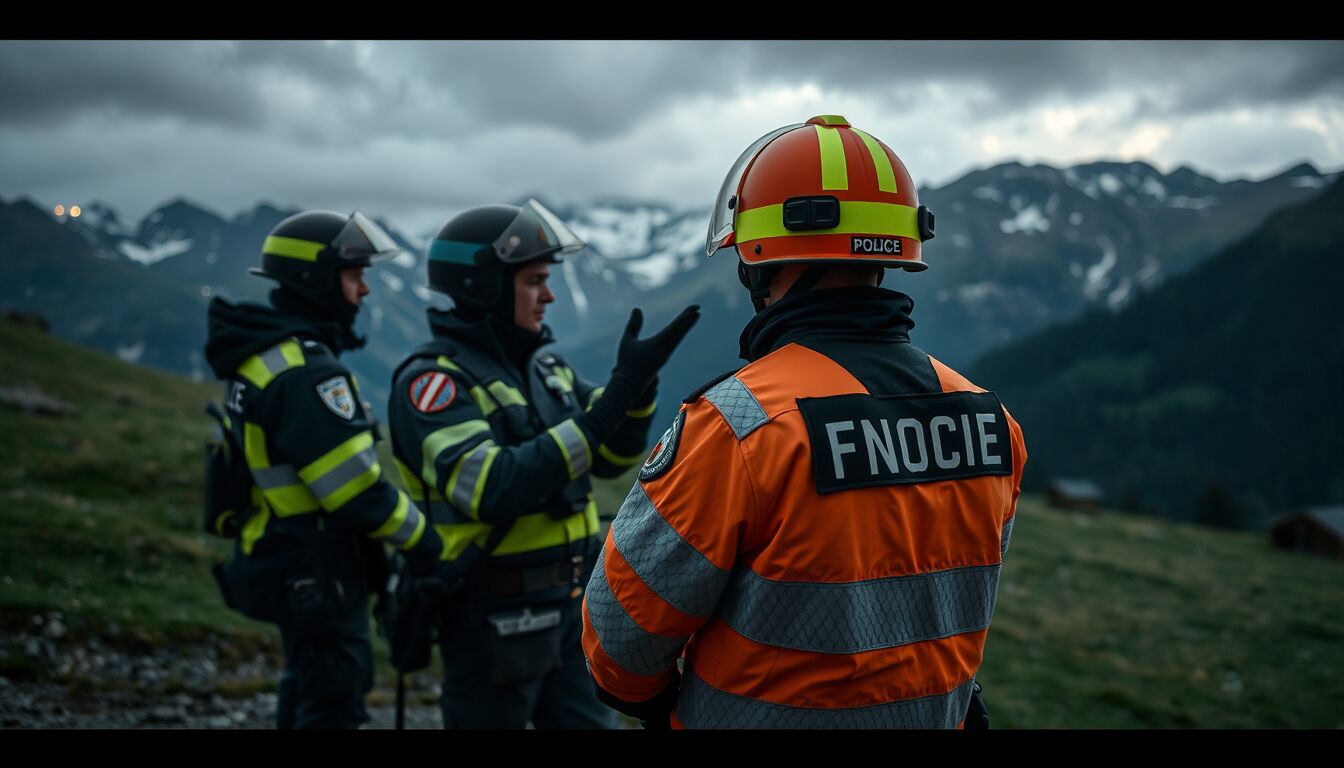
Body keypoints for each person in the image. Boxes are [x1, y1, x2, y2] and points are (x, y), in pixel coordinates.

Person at [581, 115, 1027, 729]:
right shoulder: (990, 419)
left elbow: (621, 638)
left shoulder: (738, 426)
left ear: (759, 262)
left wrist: (657, 704)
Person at [385, 199, 698, 728]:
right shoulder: (433, 383)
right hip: (492, 618)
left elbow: (613, 457)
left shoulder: (545, 366)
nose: (549, 295)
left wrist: (638, 388)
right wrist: (609, 403)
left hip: (571, 606)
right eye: (534, 281)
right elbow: (489, 487)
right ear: (481, 286)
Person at [204, 210, 447, 729]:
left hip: (284, 557)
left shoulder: (265, 357)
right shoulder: (309, 374)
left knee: (305, 681)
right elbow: (356, 491)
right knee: (334, 700)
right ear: (315, 280)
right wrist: (424, 540)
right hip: (319, 568)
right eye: (355, 276)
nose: (364, 291)